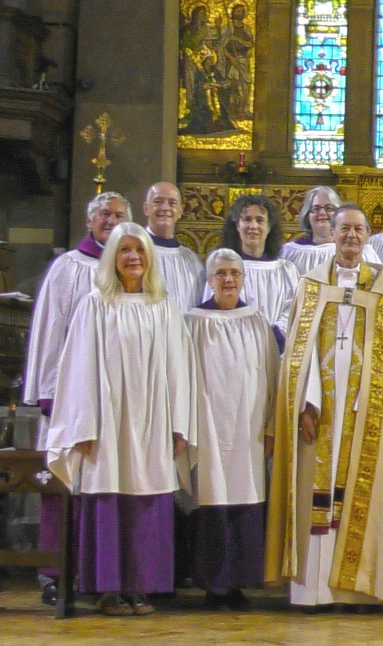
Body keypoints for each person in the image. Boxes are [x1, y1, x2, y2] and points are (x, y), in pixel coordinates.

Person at [265, 204, 383, 611]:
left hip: (367, 413)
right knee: (316, 495)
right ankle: (313, 590)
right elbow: (300, 350)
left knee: (359, 495)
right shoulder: (311, 284)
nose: (351, 236)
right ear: (331, 233)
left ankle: (358, 589)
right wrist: (305, 405)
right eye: (344, 228)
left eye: (359, 229)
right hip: (322, 412)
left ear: (369, 236)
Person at [45, 222, 196, 616]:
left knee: (147, 498)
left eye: (140, 250)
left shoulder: (163, 306)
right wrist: (81, 426)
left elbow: (180, 370)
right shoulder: (95, 304)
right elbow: (77, 367)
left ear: (150, 259)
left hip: (152, 420)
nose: (133, 257)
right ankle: (107, 588)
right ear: (113, 257)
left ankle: (140, 587)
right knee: (108, 494)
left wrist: (180, 425)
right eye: (125, 250)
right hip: (106, 421)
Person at [22, 191, 131, 605]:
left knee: (102, 490)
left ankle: (95, 571)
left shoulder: (129, 270)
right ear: (90, 221)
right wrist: (48, 394)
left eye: (119, 215)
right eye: (104, 214)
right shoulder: (70, 267)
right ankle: (54, 573)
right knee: (63, 482)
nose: (111, 220)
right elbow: (50, 332)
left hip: (114, 404)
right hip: (68, 397)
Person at [185, 248, 278, 611]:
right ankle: (213, 583)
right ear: (209, 280)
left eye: (234, 274)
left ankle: (239, 581)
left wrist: (271, 428)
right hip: (207, 429)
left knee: (245, 501)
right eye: (221, 273)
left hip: (249, 430)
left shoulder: (257, 321)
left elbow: (272, 377)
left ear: (243, 279)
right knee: (211, 502)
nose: (228, 280)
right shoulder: (193, 322)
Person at [218, 193, 298, 351]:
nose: (253, 226)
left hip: (277, 352)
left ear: (269, 228)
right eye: (247, 219)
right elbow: (215, 310)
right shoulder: (222, 270)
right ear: (237, 225)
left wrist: (276, 335)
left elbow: (295, 308)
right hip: (235, 350)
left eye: (260, 220)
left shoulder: (286, 270)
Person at [280, 185, 380, 275]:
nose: (322, 213)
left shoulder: (362, 250)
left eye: (329, 208)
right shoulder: (290, 252)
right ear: (307, 214)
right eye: (316, 208)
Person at [144, 182, 204, 311]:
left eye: (172, 203)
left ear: (180, 211)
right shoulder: (136, 253)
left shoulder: (191, 259)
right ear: (146, 208)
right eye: (158, 202)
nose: (165, 208)